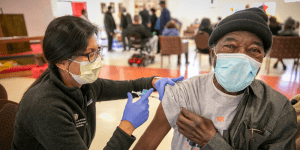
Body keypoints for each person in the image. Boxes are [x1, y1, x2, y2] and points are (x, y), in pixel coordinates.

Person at [133, 8, 297, 150]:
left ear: (262, 59)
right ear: (213, 54)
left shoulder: (278, 110)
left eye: (254, 49)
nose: (241, 56)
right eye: (230, 46)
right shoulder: (182, 93)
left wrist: (213, 142)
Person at [11, 16, 184, 150]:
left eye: (98, 51)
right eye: (89, 54)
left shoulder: (83, 85)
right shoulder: (45, 107)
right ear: (61, 62)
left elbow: (129, 86)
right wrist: (127, 125)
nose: (97, 60)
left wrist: (154, 81)